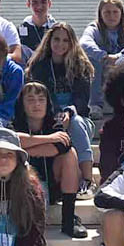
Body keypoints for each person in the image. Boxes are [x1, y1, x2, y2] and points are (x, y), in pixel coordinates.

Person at [25, 22, 96, 200]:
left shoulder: (81, 66)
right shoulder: (39, 67)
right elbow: (43, 97)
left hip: (79, 119)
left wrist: (69, 113)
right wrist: (58, 114)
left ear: (72, 43)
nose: (60, 44)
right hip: (50, 119)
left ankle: (87, 179)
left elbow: (81, 101)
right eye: (56, 39)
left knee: (76, 122)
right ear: (49, 41)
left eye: (66, 40)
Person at [13, 82, 84, 239]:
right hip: (23, 185)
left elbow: (63, 146)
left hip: (53, 183)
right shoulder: (15, 123)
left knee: (70, 154)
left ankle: (68, 221)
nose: (36, 104)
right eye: (30, 99)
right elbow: (13, 141)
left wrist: (27, 149)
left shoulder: (55, 121)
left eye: (41, 99)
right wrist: (48, 139)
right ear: (22, 104)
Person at [80, 0, 124, 115]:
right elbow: (84, 42)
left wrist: (120, 56)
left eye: (115, 12)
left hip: (123, 64)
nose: (111, 16)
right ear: (100, 13)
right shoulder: (94, 28)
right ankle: (95, 105)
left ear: (121, 13)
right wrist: (103, 56)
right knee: (92, 60)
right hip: (103, 64)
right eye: (107, 12)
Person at [15, 0, 58, 64]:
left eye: (43, 2)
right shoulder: (19, 30)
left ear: (50, 4)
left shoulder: (57, 29)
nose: (39, 6)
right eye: (34, 2)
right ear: (28, 4)